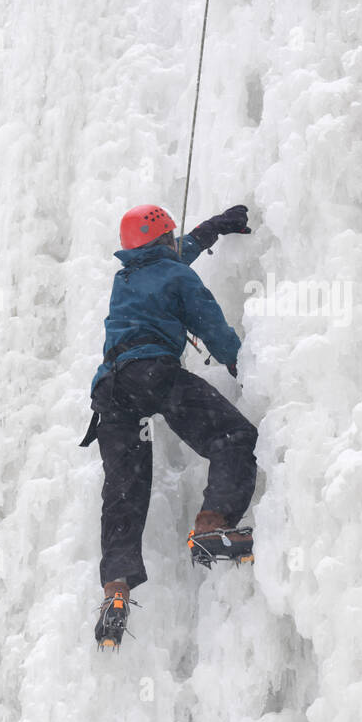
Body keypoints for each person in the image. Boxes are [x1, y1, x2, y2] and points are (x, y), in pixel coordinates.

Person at [81, 203, 257, 646]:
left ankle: (115, 589)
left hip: (110, 392)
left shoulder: (126, 277)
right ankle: (211, 526)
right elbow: (211, 327)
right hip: (154, 375)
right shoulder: (177, 276)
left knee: (124, 490)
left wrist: (214, 227)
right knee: (232, 436)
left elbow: (181, 249)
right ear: (163, 239)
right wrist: (245, 367)